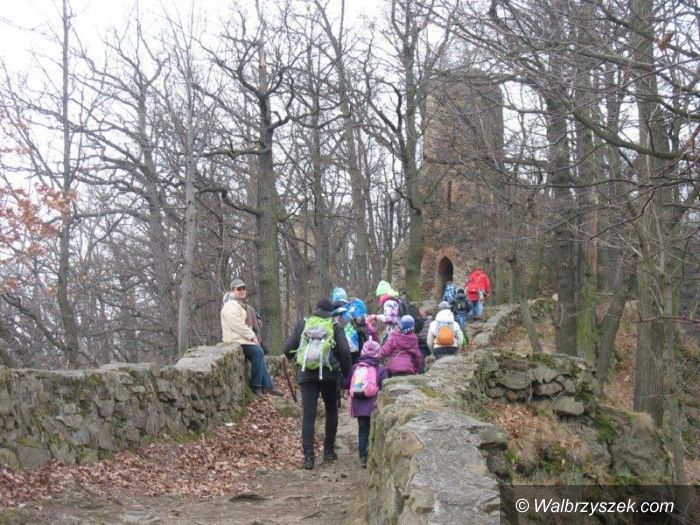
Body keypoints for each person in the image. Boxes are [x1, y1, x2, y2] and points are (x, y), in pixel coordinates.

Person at [283, 299, 351, 470]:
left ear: (316, 309)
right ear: (330, 312)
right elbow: (344, 352)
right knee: (331, 410)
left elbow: (287, 348)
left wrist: (296, 361)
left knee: (309, 415)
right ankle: (328, 451)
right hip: (329, 375)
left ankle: (308, 457)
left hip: (306, 374)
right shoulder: (334, 326)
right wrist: (346, 372)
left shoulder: (303, 324)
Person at [221, 278, 283, 397]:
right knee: (258, 352)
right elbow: (238, 325)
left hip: (242, 339)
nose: (242, 291)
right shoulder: (229, 305)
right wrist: (252, 336)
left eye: (243, 288)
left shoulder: (240, 304)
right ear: (233, 291)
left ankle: (268, 386)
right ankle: (257, 385)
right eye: (239, 289)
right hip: (235, 340)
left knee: (261, 352)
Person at [345, 340, 388, 469]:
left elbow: (347, 383)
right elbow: (385, 387)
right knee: (374, 430)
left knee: (362, 430)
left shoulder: (356, 368)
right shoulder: (381, 369)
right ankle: (373, 456)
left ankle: (363, 457)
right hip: (373, 405)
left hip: (358, 404)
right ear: (377, 353)